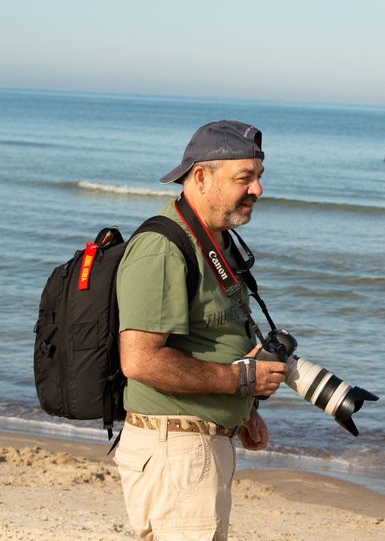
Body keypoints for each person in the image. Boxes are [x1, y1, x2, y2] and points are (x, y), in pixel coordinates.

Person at [114, 120, 289, 541]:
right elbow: (139, 359)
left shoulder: (216, 238)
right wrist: (238, 380)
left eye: (259, 177)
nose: (258, 190)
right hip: (176, 449)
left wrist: (245, 410)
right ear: (200, 177)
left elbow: (214, 333)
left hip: (199, 447)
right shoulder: (163, 247)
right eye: (244, 178)